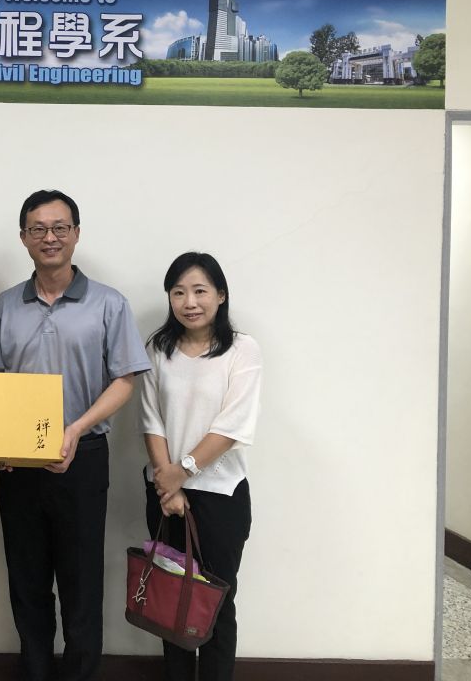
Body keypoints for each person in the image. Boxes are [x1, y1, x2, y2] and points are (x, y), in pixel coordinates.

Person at [0, 190, 150, 681]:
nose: (49, 237)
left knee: (81, 583)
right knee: (26, 582)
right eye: (38, 229)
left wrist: (74, 430)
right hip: (17, 464)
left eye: (60, 227)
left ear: (76, 233)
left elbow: (125, 380)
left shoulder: (108, 303)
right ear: (23, 237)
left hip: (84, 457)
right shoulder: (6, 305)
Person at [138, 252, 262, 681]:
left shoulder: (242, 350)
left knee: (216, 605)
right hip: (165, 495)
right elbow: (150, 419)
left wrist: (182, 472)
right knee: (171, 600)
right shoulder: (158, 349)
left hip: (221, 496)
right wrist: (168, 485)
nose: (189, 302)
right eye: (178, 292)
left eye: (199, 291)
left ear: (221, 295)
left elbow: (233, 424)